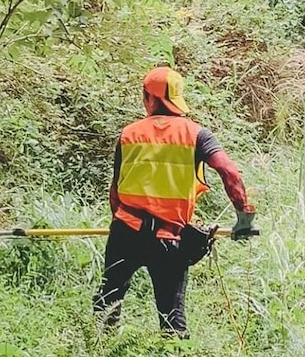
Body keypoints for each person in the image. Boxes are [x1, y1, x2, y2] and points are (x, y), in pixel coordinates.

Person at [93, 66, 257, 337]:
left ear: (151, 98)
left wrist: (119, 228)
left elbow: (115, 190)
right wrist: (244, 219)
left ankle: (100, 354)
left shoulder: (129, 134)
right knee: (171, 316)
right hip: (169, 238)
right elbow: (229, 171)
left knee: (108, 301)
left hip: (127, 230)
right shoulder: (197, 135)